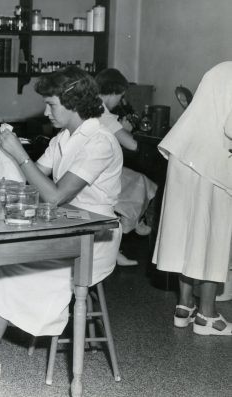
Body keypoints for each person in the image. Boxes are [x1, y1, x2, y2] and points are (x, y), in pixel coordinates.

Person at [0, 66, 122, 389]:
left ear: (73, 103)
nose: (46, 111)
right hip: (63, 225)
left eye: (52, 104)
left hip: (95, 234)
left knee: (10, 274)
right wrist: (11, 153)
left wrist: (20, 155)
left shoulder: (100, 142)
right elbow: (34, 181)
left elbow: (55, 195)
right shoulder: (63, 138)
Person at [152, 61, 232, 335]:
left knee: (186, 234)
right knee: (212, 236)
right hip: (210, 165)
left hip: (183, 156)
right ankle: (207, 317)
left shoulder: (222, 68)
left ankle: (184, 307)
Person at [95, 68, 157, 266]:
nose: (119, 102)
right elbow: (133, 145)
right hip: (100, 175)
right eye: (120, 96)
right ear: (113, 93)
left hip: (93, 169)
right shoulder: (103, 115)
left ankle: (133, 224)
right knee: (143, 181)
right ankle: (134, 222)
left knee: (137, 179)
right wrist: (126, 130)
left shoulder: (89, 107)